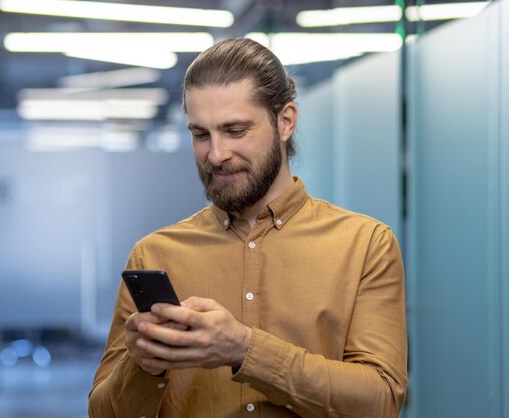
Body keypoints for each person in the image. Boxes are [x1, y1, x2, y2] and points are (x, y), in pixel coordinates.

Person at [88, 38, 407, 418]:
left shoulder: (366, 245)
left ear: (285, 121)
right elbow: (104, 413)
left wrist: (244, 349)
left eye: (235, 130)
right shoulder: (155, 254)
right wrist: (142, 366)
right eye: (201, 135)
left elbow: (380, 402)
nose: (217, 155)